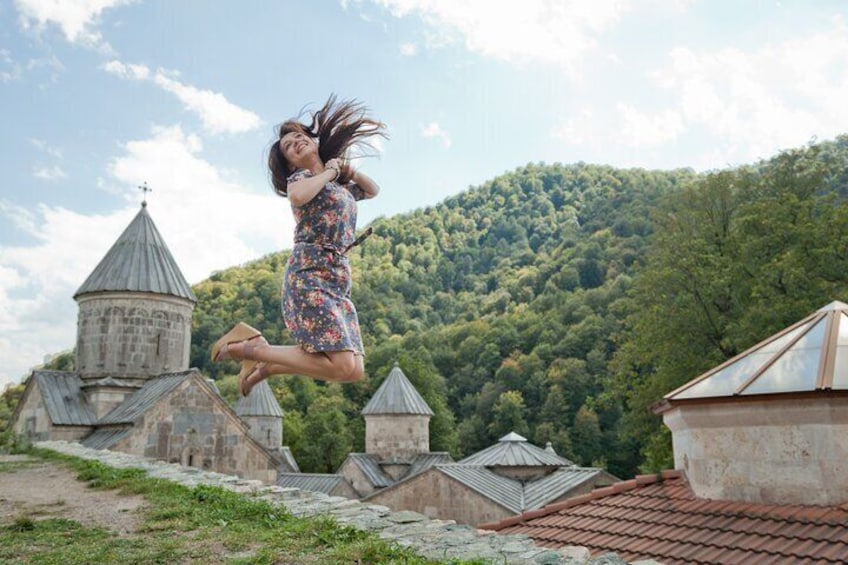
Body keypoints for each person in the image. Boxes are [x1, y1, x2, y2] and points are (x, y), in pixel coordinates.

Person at [210, 95, 386, 396]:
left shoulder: (337, 187)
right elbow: (297, 197)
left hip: (337, 280)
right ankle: (250, 350)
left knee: (354, 370)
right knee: (342, 365)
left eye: (300, 137)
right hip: (309, 275)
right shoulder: (301, 179)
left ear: (313, 141)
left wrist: (348, 171)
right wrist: (330, 172)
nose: (295, 143)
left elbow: (372, 191)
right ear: (290, 162)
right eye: (289, 147)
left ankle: (266, 365)